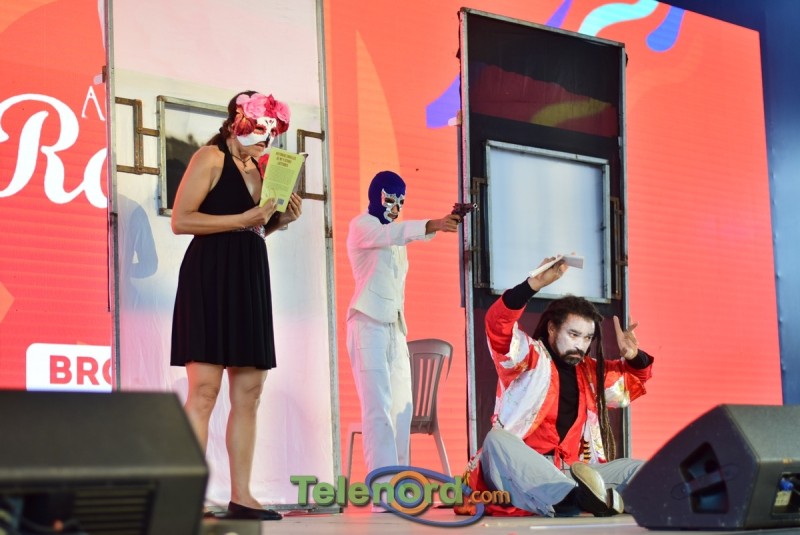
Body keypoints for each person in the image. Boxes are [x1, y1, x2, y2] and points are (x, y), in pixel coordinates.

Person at [170, 90, 302, 522]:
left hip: (248, 277)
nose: (267, 138)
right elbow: (182, 220)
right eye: (261, 128)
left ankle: (242, 495)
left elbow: (253, 230)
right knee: (204, 391)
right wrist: (244, 219)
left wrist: (279, 220)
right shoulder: (210, 158)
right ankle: (187, 497)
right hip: (209, 275)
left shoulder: (262, 170)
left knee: (250, 393)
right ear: (235, 123)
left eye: (273, 132)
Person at [456, 257, 654, 518]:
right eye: (573, 334)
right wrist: (531, 286)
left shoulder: (590, 373)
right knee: (496, 439)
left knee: (642, 470)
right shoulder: (529, 357)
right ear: (552, 328)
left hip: (572, 471)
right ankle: (575, 499)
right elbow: (497, 326)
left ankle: (583, 498)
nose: (580, 345)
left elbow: (631, 382)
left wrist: (633, 356)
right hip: (521, 472)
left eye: (587, 338)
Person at [346, 170, 461, 500]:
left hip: (395, 328)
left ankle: (400, 487)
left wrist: (438, 226)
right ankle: (382, 491)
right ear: (376, 196)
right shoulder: (362, 225)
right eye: (390, 198)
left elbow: (404, 236)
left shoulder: (395, 238)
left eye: (401, 200)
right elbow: (393, 234)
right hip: (367, 324)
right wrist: (433, 224)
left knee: (402, 409)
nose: (395, 206)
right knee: (378, 409)